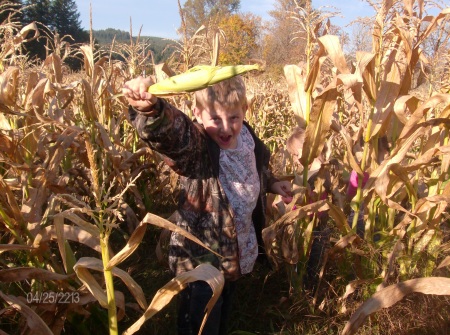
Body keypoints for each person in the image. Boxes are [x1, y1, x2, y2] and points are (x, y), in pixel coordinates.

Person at [122, 74, 292, 335]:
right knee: (200, 317)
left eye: (233, 117)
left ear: (244, 111)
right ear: (197, 113)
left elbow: (254, 169)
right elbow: (174, 136)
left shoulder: (247, 138)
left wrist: (271, 183)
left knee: (223, 305)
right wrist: (151, 110)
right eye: (215, 119)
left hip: (236, 247)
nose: (226, 128)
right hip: (202, 256)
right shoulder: (199, 148)